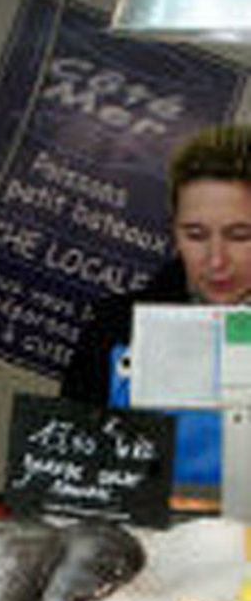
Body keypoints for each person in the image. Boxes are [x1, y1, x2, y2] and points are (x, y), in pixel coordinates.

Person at [62, 124, 251, 488]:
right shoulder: (115, 327)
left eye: (240, 236)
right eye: (195, 235)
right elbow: (66, 471)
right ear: (173, 231)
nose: (216, 261)